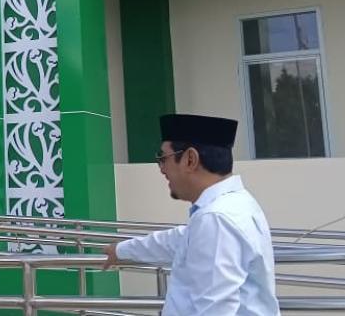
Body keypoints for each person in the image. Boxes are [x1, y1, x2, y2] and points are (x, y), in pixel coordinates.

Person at [103, 114, 279, 316]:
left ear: (190, 159)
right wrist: (121, 250)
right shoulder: (234, 204)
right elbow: (177, 240)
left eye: (163, 158)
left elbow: (214, 310)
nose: (162, 169)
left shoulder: (216, 219)